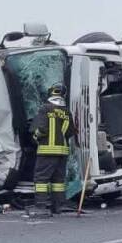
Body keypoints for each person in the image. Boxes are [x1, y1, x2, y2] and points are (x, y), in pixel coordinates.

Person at [29, 83, 76, 216]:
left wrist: (35, 137)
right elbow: (70, 132)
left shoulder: (45, 109)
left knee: (41, 179)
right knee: (58, 181)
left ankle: (41, 207)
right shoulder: (66, 112)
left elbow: (41, 129)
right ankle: (59, 206)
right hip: (62, 152)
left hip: (47, 151)